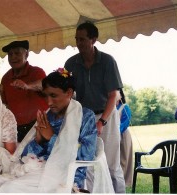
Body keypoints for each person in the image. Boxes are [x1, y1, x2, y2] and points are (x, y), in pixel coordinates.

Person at [0, 68, 98, 193]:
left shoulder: (85, 117)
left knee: (9, 189)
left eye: (53, 95)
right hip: (38, 167)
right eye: (46, 96)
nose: (48, 102)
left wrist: (51, 138)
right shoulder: (48, 116)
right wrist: (38, 141)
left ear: (69, 93)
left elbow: (86, 157)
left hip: (64, 174)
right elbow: (25, 155)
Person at [64, 21, 125, 193]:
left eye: (82, 39)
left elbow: (114, 95)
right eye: (77, 39)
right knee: (86, 165)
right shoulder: (71, 64)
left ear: (93, 40)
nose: (78, 43)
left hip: (107, 115)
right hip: (83, 119)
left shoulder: (107, 61)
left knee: (112, 166)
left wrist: (102, 122)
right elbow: (66, 92)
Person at [1, 40, 48, 142]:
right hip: (15, 128)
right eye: (10, 54)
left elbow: (44, 85)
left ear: (26, 54)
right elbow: (4, 104)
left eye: (17, 53)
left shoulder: (37, 72)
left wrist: (27, 86)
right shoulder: (5, 78)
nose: (13, 57)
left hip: (38, 126)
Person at [117, 88, 133, 187]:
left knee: (123, 159)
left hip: (123, 136)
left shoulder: (124, 107)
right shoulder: (109, 106)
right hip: (112, 136)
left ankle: (122, 183)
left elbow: (125, 123)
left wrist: (116, 132)